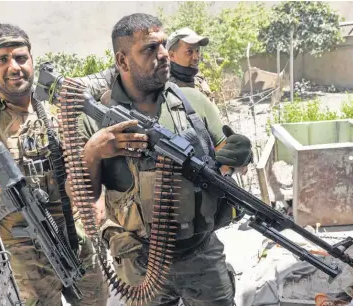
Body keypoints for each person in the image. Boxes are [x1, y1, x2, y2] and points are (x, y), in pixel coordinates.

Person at [72, 13, 253, 306]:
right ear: (122, 61)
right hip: (140, 262)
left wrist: (238, 154)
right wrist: (93, 152)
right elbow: (84, 196)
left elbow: (222, 161)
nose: (164, 55)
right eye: (149, 48)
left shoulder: (192, 101)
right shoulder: (95, 120)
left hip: (201, 253)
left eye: (163, 45)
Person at [0, 23, 109, 306]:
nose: (14, 67)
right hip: (23, 251)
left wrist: (97, 202)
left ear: (31, 59)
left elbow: (84, 160)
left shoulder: (55, 105)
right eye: (2, 60)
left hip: (74, 236)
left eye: (20, 57)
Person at [166, 27, 213, 100]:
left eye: (197, 51)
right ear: (171, 55)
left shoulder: (200, 82)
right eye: (189, 51)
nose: (196, 57)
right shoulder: (162, 88)